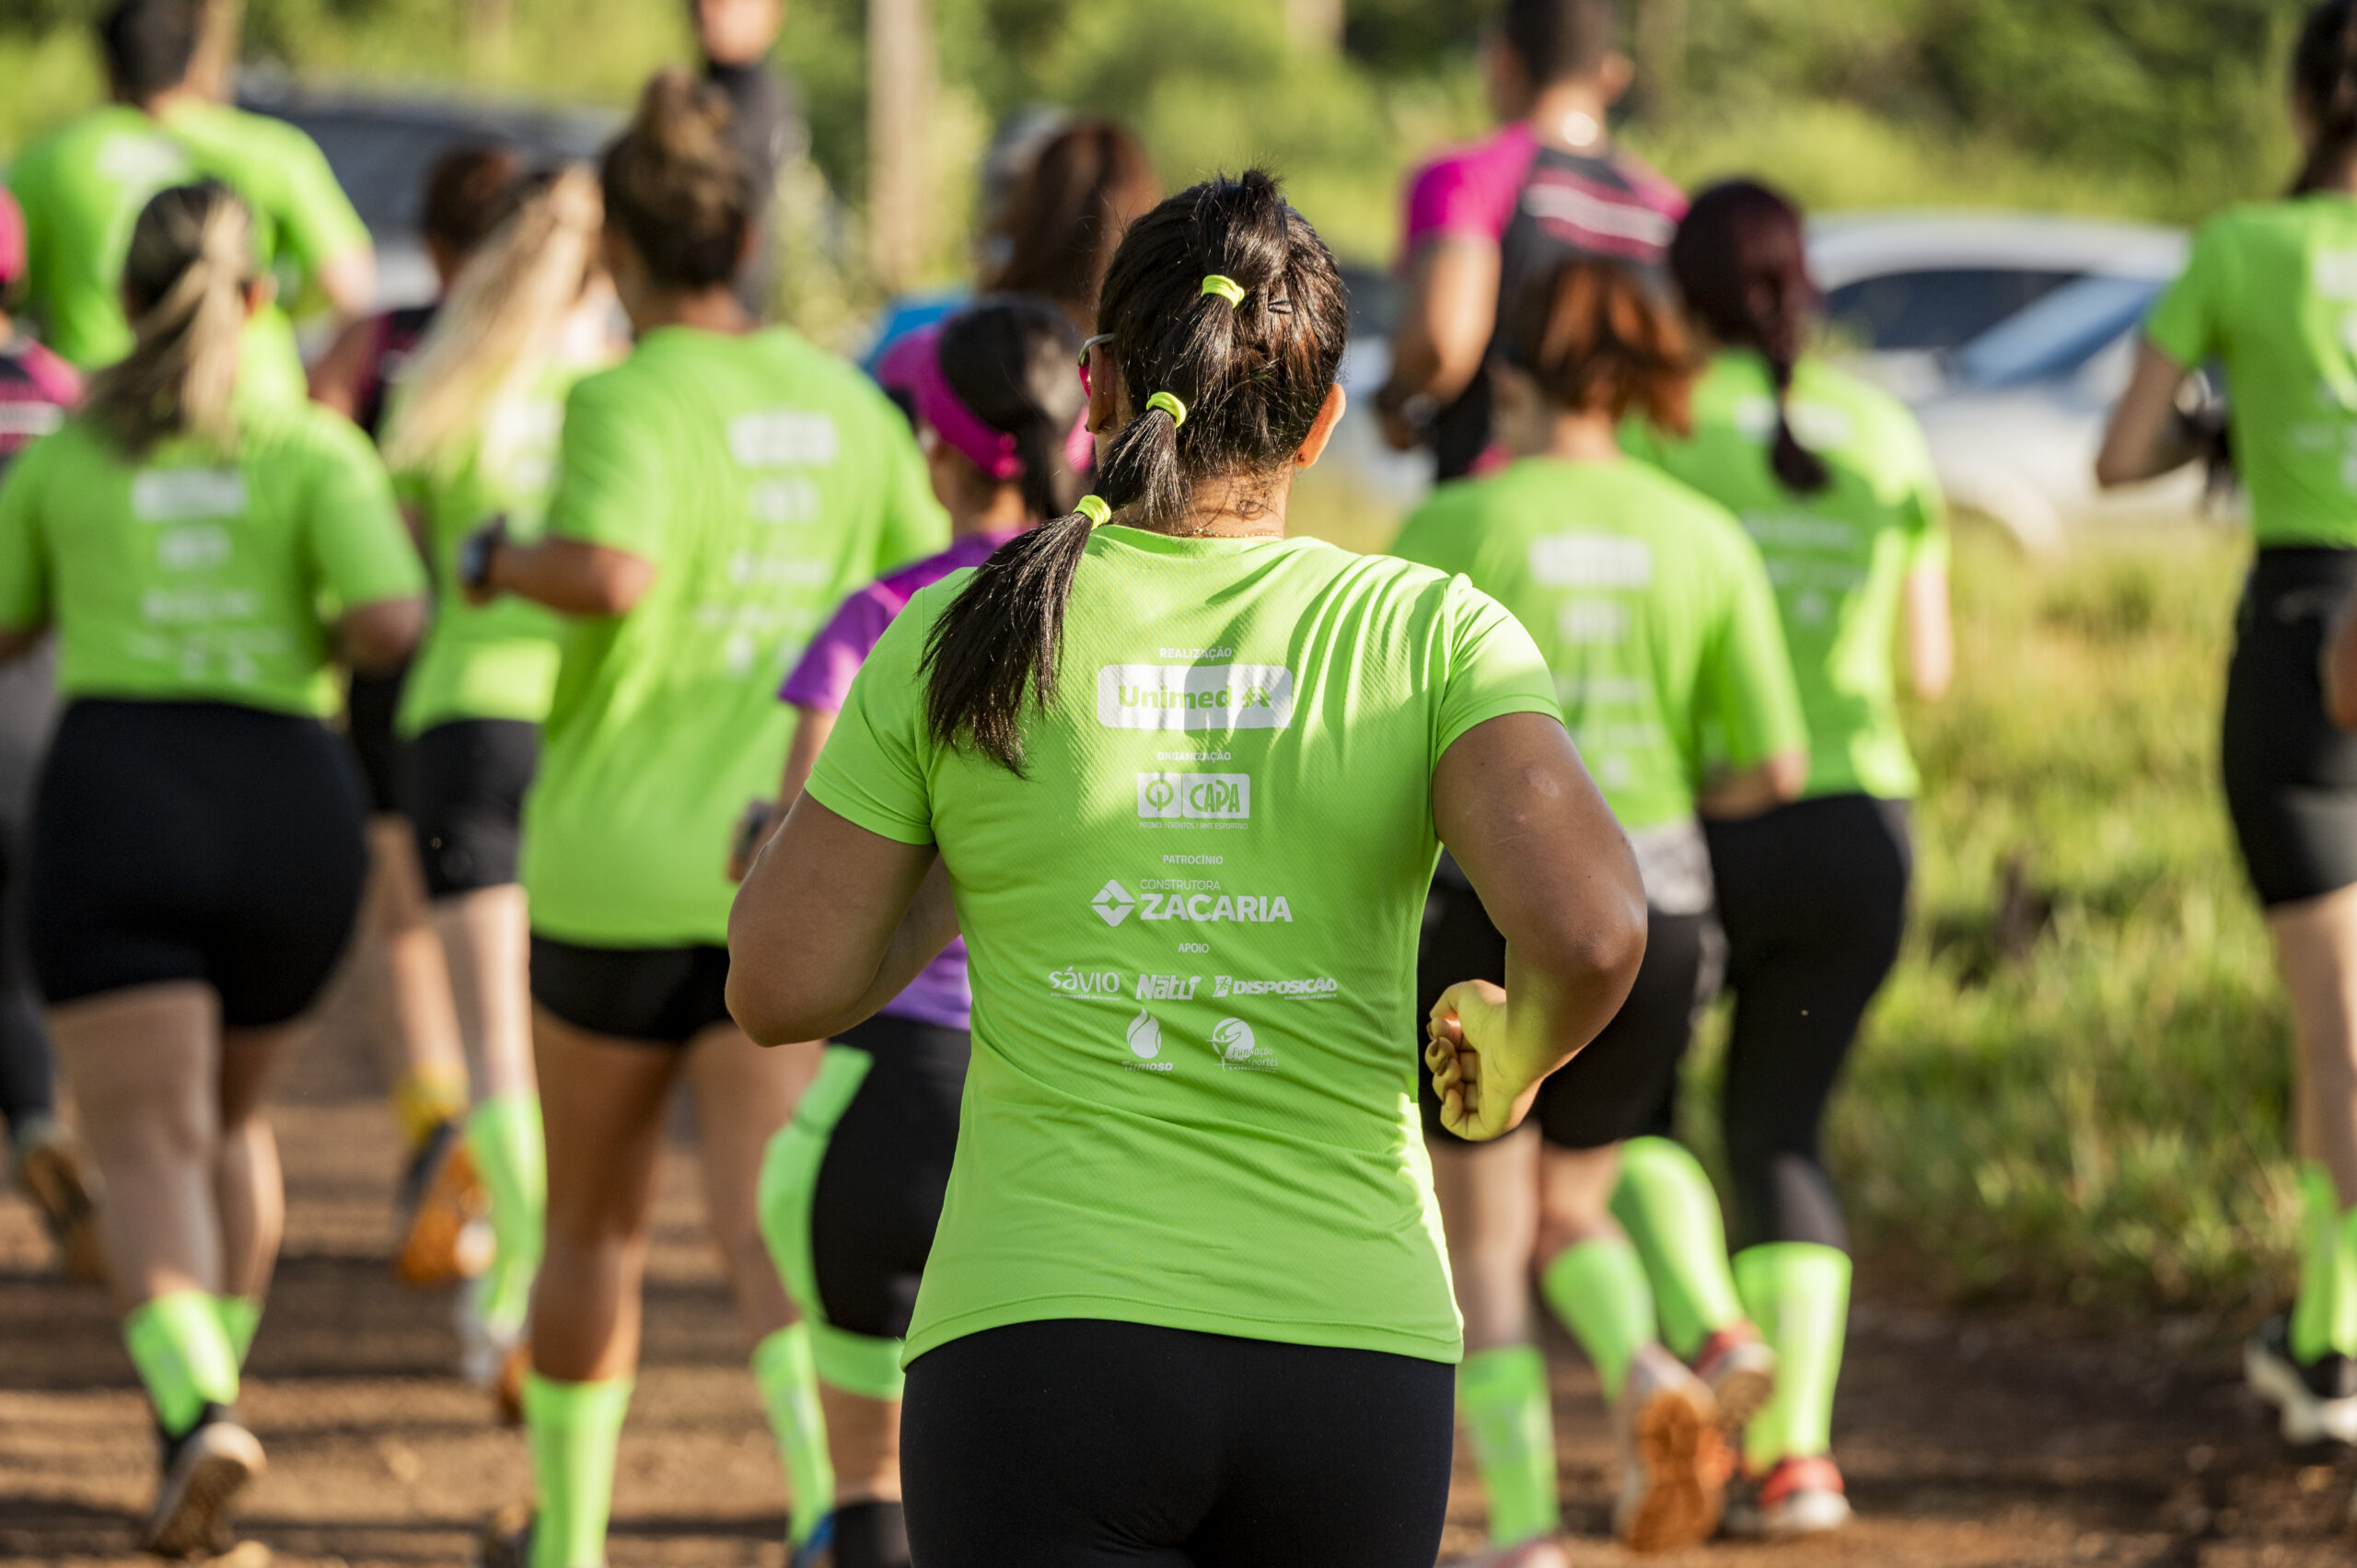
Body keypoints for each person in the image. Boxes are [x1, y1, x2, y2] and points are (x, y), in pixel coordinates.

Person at [728, 168, 1650, 1568]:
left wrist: (972, 857)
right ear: (1322, 422)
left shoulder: (964, 631)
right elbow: (1590, 929)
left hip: (1036, 1347)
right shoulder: (1429, 632)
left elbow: (777, 982)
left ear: (1095, 386)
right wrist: (1516, 1055)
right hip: (1350, 1353)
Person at [463, 71, 946, 1568]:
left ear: (619, 249)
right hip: (788, 872)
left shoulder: (619, 397)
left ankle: (569, 1543)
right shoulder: (849, 406)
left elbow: (609, 567)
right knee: (771, 1226)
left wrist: (495, 556)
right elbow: (924, 595)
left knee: (589, 1226)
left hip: (611, 873)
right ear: (745, 240)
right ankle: (825, 1508)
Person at [0, 181, 425, 1553]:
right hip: (287, 805)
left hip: (118, 796)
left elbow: (4, 625)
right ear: (259, 299)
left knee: (146, 1142)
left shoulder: (71, 452)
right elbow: (391, 618)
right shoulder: (310, 447)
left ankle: (195, 1407)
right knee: (230, 1126)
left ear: (125, 300)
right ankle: (209, 1388)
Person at [1393, 255, 1807, 1559]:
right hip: (1654, 916)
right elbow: (1773, 764)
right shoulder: (1703, 532)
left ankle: (1524, 1529)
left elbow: (1382, 741)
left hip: (1491, 905)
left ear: (1511, 373)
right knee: (1578, 1201)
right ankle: (1653, 1360)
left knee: (1489, 1239)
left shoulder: (1458, 522)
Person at [728, 296, 1085, 1568]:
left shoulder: (883, 613)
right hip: (1084, 1102)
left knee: (873, 1484)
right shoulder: (1123, 610)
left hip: (893, 1101)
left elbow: (796, 875)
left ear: (933, 452)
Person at [1622, 179, 1953, 1537]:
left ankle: (1709, 1341)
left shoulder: (1658, 430)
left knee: (1632, 1120)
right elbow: (1928, 666)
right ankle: (1798, 1457)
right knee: (1781, 1130)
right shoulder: (1886, 432)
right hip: (1861, 831)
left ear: (1680, 298)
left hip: (1703, 826)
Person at [2119, 0, 2357, 1457]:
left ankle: (2332, 1337)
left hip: (2307, 635)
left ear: (2301, 103)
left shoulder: (2242, 247)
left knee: (2339, 1031)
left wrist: (2224, 428)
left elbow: (2120, 451)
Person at [378, 165, 616, 1410]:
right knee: (566, 1038)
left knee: (494, 1048)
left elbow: (398, 570)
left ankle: (513, 1293)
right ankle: (525, 1296)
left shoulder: (443, 380)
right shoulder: (613, 396)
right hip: (578, 730)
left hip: (462, 723)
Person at [312, 143, 530, 1294]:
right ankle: (504, 1131)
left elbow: (324, 464)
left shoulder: (384, 344)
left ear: (438, 246)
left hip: (403, 664)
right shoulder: (566, 358)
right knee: (517, 925)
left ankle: (440, 1122)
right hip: (531, 670)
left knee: (406, 910)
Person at [6, 0, 375, 407]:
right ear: (196, 63)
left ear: (109, 68)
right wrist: (280, 306)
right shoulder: (272, 152)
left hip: (102, 409)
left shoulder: (48, 163)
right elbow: (350, 284)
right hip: (252, 404)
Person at [1376, 0, 1685, 482]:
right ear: (1612, 75)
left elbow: (1440, 342)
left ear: (1502, 61)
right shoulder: (1666, 209)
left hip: (1492, 488)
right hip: (1631, 493)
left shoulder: (1466, 179)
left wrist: (1394, 402)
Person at [0, 187, 103, 1286]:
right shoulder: (67, 395)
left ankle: (36, 1124)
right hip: (50, 722)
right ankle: (44, 1122)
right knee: (19, 965)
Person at [863, 119, 1160, 381]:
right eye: (1001, 184)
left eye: (1017, 186)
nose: (1001, 202)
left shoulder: (918, 339)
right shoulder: (1156, 358)